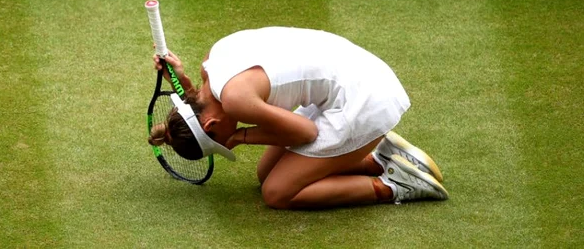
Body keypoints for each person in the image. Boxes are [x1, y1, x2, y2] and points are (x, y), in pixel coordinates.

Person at [148, 26, 448, 209]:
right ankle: (379, 158)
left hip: (366, 99)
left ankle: (396, 186)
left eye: (220, 141)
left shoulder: (236, 102)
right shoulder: (211, 64)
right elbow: (204, 101)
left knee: (277, 193)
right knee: (266, 173)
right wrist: (185, 82)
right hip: (357, 73)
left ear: (211, 126)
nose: (229, 138)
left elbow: (305, 133)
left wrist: (240, 137)